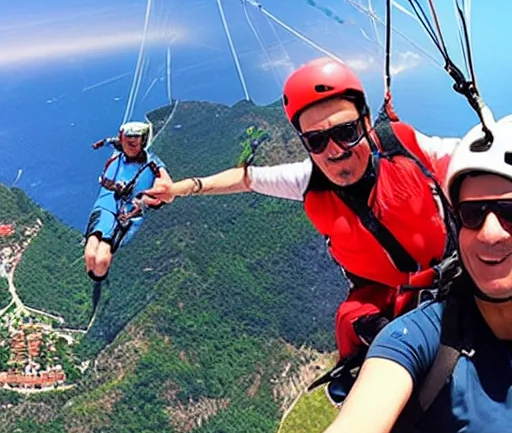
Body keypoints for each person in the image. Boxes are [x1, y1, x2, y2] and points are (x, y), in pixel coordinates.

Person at [237, 112, 512, 433]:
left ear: (363, 124)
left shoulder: (405, 152)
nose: (490, 233)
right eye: (472, 214)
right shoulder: (423, 337)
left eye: (510, 213)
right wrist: (187, 187)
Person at [144, 57, 460, 365]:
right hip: (388, 304)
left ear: (365, 123)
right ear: (305, 143)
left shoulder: (404, 148)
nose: (334, 150)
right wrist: (179, 189)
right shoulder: (309, 181)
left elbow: (471, 158)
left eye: (346, 132)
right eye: (317, 140)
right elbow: (246, 178)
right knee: (355, 326)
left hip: (460, 273)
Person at [84, 121, 171, 282]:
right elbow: (113, 142)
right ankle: (96, 274)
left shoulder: (152, 164)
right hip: (109, 202)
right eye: (128, 140)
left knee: (101, 259)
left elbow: (165, 183)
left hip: (129, 211)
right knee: (91, 253)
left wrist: (151, 197)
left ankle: (98, 274)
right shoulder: (119, 150)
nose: (131, 145)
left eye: (136, 142)